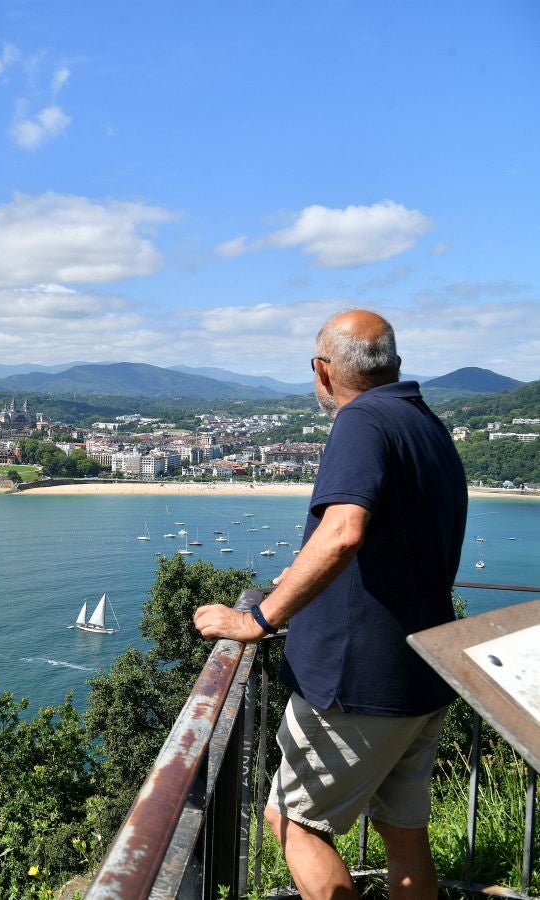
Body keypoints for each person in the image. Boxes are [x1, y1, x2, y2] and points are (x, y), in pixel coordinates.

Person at [193, 309, 466, 900]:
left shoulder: (361, 421)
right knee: (403, 830)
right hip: (425, 669)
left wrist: (257, 617)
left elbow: (343, 531)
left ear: (322, 372)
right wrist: (297, 576)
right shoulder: (427, 424)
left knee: (293, 823)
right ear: (393, 362)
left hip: (356, 682)